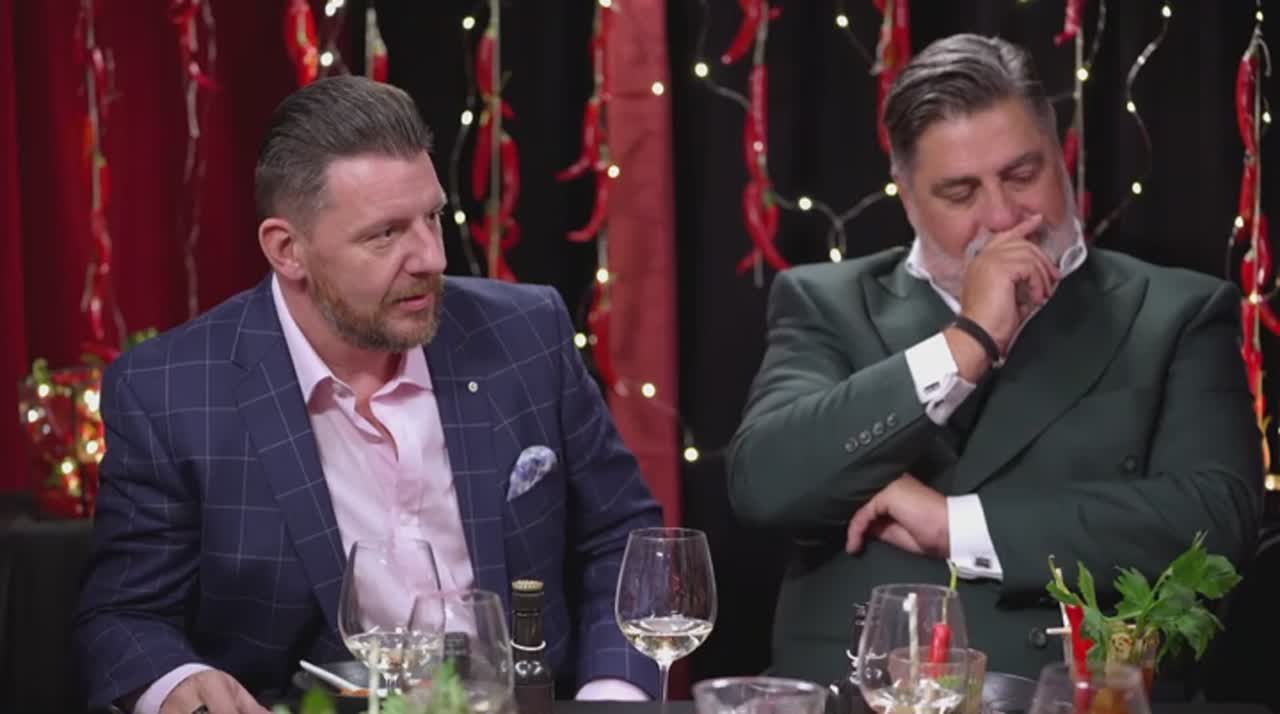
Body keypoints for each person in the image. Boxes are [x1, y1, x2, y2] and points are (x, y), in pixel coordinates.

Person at [73, 76, 661, 714]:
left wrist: (612, 696)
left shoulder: (526, 334)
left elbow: (621, 536)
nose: (431, 258)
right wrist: (176, 682)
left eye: (432, 217)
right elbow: (125, 616)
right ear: (287, 250)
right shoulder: (170, 390)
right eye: (385, 234)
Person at [727, 33, 1262, 685]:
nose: (1004, 215)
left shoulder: (1176, 312)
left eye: (1022, 174)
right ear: (907, 196)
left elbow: (1216, 522)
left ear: (1061, 155)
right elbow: (765, 484)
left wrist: (954, 526)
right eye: (961, 193)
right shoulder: (825, 302)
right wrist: (968, 341)